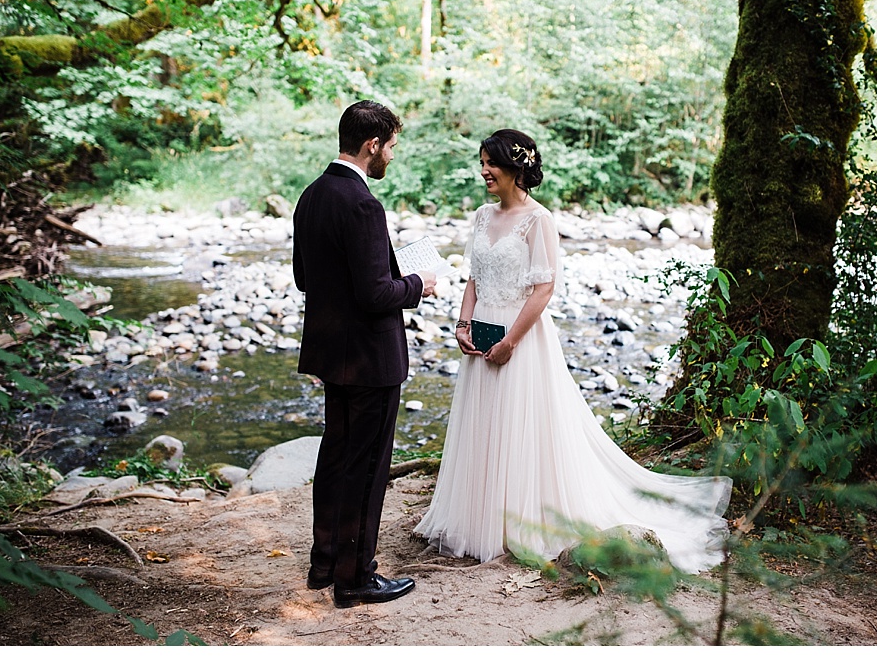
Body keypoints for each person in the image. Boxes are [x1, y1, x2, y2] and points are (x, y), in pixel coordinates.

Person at [414, 129, 733, 574]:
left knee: (520, 426)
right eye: (482, 161)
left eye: (491, 163)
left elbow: (544, 289)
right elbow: (473, 278)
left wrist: (510, 342)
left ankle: (520, 521)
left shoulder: (538, 219)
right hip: (481, 333)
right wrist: (463, 324)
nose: (484, 170)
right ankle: (478, 518)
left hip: (520, 339)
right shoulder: (482, 217)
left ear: (516, 167)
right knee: (482, 424)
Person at [292, 100, 436, 608]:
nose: (391, 156)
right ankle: (356, 577)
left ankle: (324, 563)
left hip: (332, 355)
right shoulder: (363, 205)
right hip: (372, 361)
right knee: (368, 465)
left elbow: (304, 279)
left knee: (335, 456)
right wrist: (418, 282)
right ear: (372, 144)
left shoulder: (311, 196)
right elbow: (377, 295)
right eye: (391, 145)